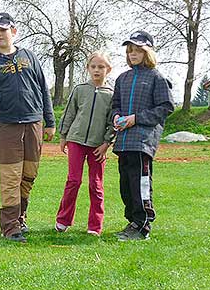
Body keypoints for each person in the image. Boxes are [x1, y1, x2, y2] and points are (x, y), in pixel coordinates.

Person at [0, 12, 56, 243]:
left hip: (33, 122)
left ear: (13, 31)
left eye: (2, 30)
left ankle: (20, 217)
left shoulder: (30, 57)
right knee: (10, 176)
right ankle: (10, 227)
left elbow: (43, 89)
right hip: (7, 125)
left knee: (29, 175)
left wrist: (50, 121)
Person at [112, 31, 174, 241]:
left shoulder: (157, 77)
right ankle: (132, 221)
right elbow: (115, 106)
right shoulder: (122, 78)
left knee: (140, 183)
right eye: (130, 50)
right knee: (126, 185)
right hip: (123, 142)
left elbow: (166, 107)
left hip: (143, 141)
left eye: (138, 50)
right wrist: (117, 117)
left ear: (147, 52)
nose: (133, 54)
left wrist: (136, 119)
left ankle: (143, 224)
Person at [54, 51, 115, 236]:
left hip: (98, 145)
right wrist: (63, 136)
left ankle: (95, 225)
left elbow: (112, 121)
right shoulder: (80, 89)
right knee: (73, 180)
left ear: (108, 70)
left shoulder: (112, 95)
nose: (97, 70)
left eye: (101, 67)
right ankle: (63, 220)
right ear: (88, 68)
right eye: (93, 66)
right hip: (76, 140)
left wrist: (106, 143)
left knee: (95, 184)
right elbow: (69, 113)